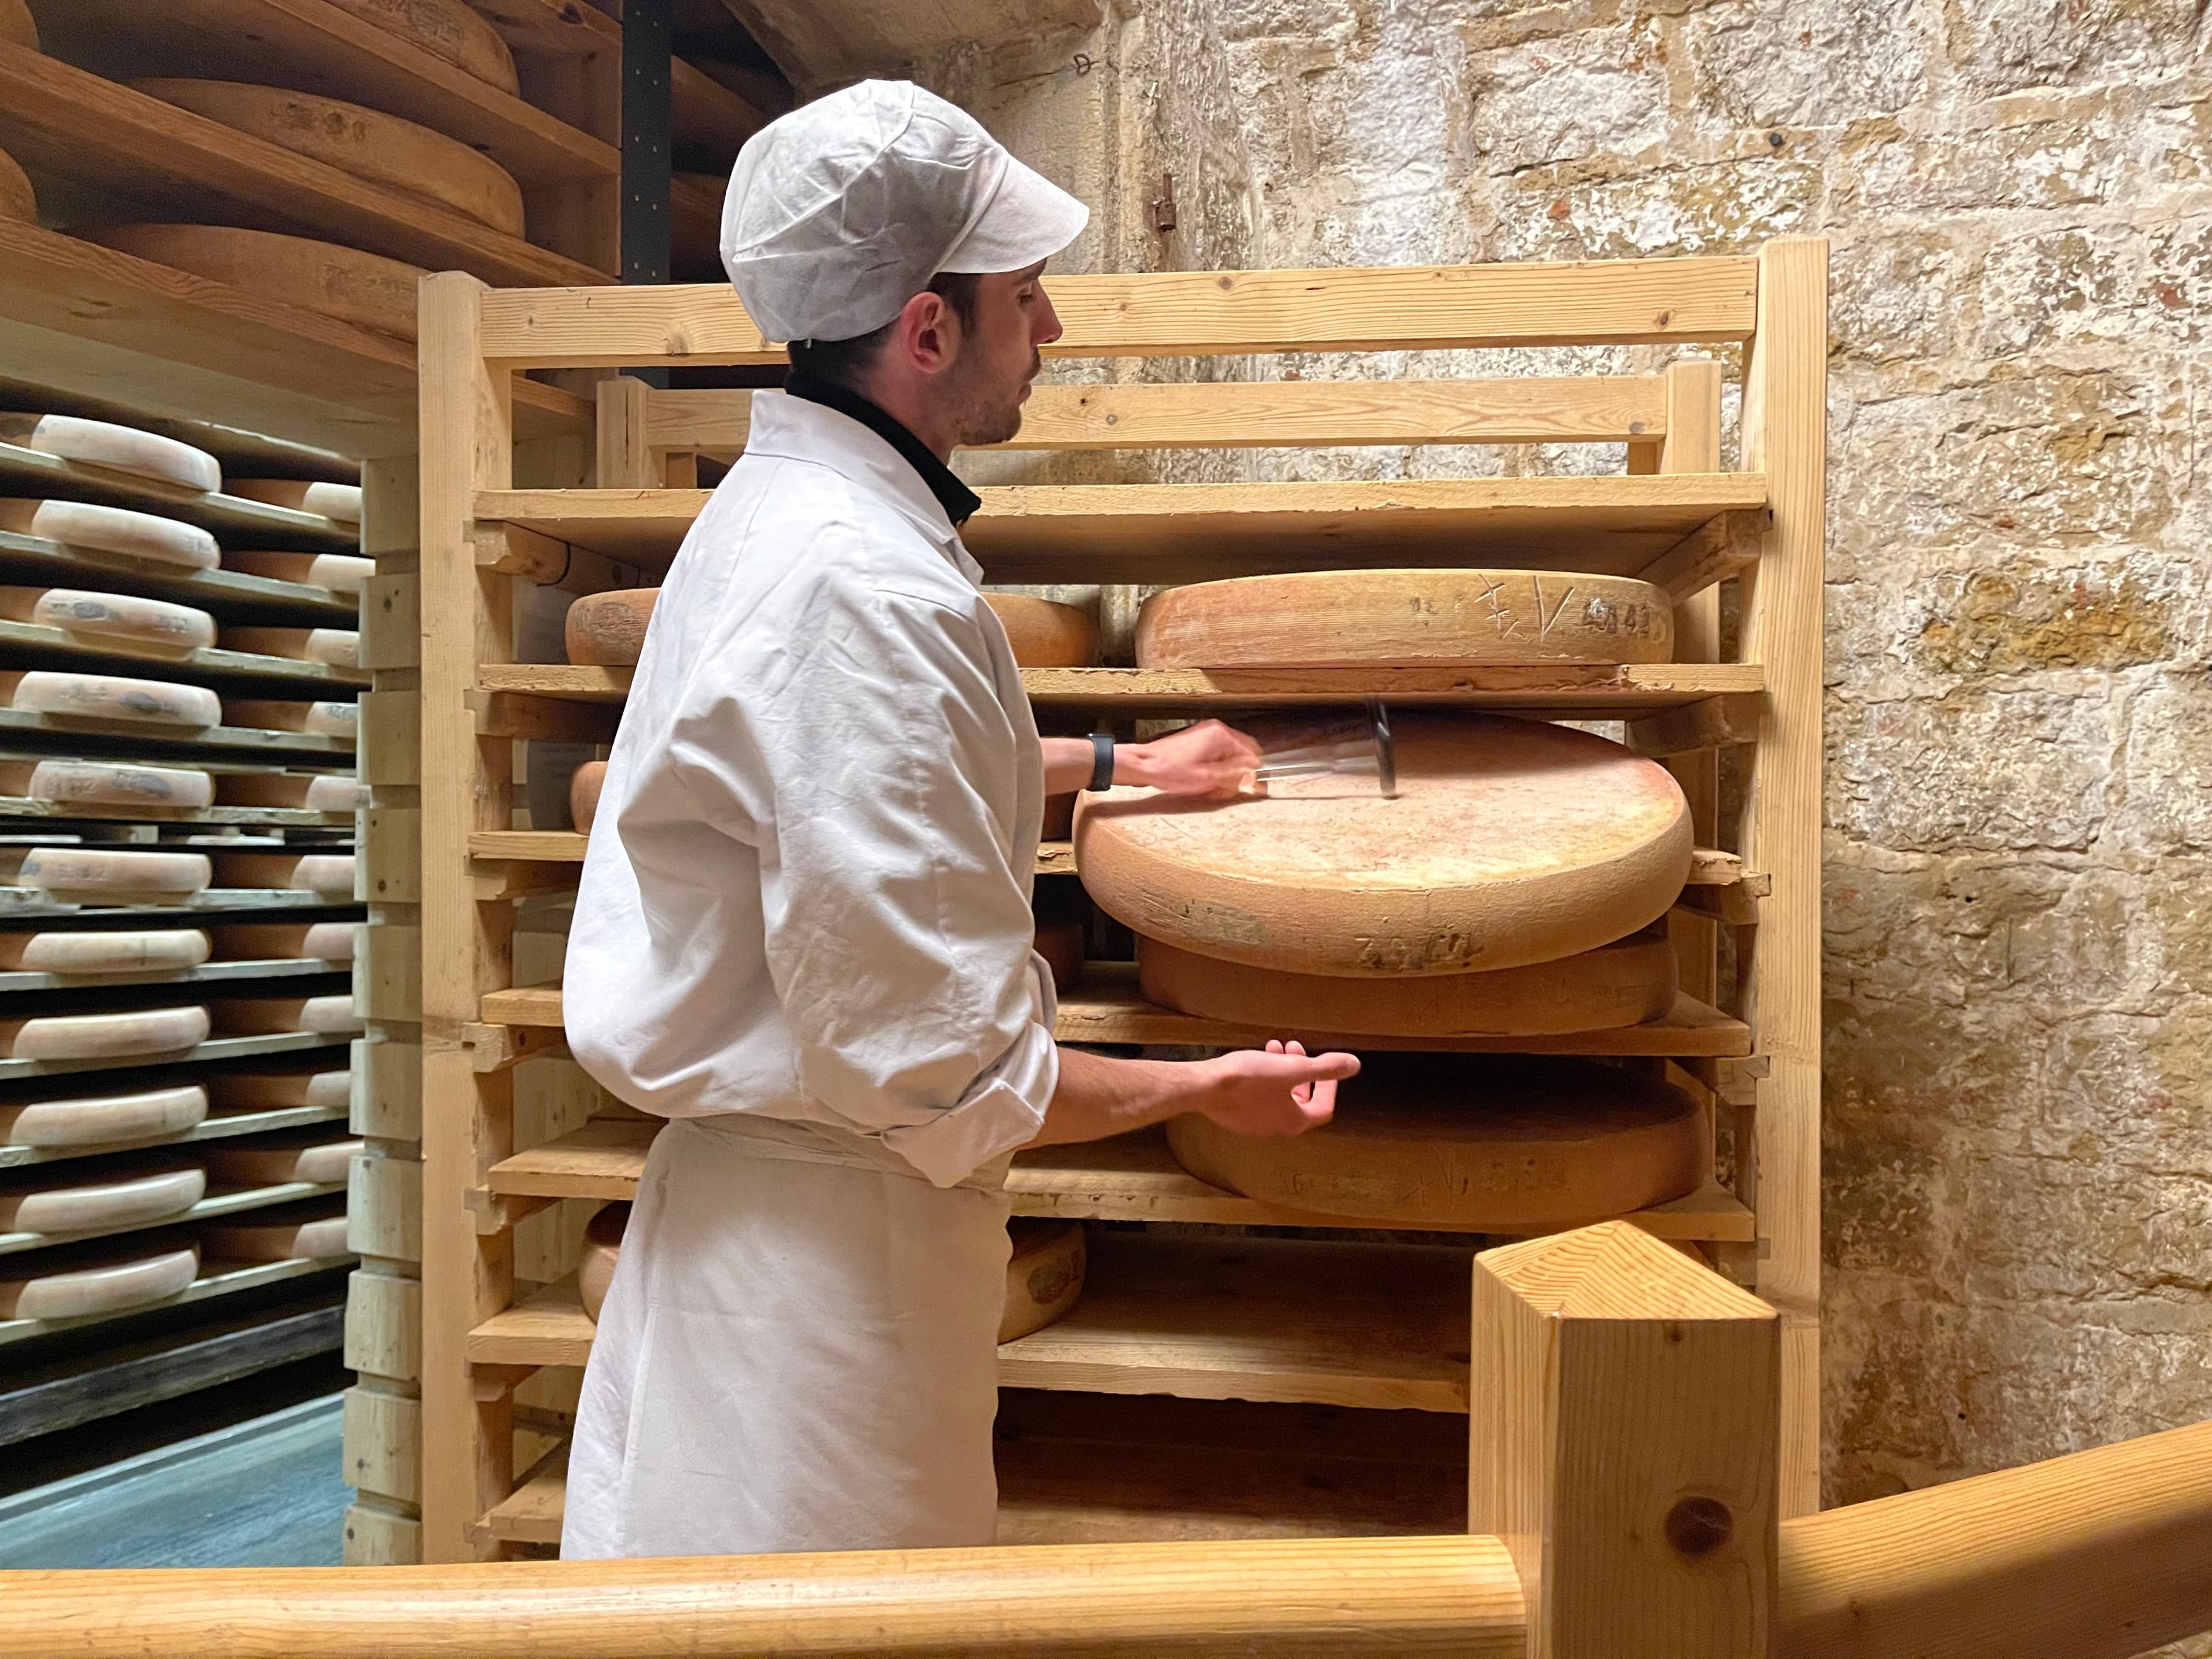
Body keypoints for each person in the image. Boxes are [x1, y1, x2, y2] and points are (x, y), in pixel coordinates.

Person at [559, 79, 1356, 1561]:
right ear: (928, 330)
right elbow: (939, 1071)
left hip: (774, 1239)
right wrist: (1204, 1087)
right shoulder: (862, 590)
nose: (1051, 331)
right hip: (822, 1304)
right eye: (1028, 297)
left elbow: (841, 780)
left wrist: (1119, 768)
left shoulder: (782, 518)